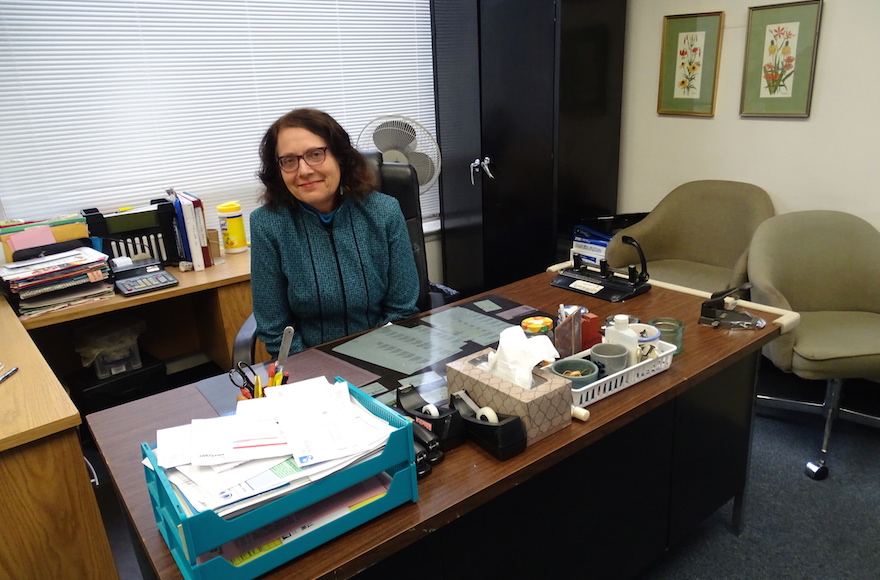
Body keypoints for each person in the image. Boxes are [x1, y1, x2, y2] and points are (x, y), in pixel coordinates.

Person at [250, 108, 420, 357]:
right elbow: (275, 330)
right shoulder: (267, 225)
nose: (304, 170)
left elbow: (402, 308)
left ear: (340, 156)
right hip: (308, 365)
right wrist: (319, 374)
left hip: (385, 354)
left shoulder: (384, 211)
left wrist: (374, 363)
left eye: (315, 154)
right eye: (289, 160)